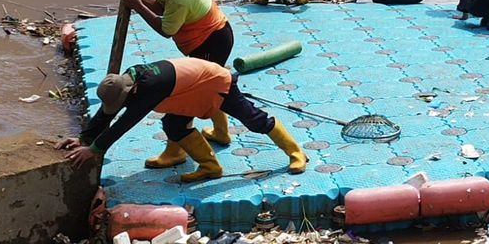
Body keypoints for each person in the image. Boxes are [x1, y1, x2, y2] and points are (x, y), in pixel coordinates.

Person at [55, 58, 308, 182]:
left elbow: (124, 123)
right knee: (173, 124)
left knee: (254, 120)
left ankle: (295, 152)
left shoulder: (149, 88)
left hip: (215, 82)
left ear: (129, 92)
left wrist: (95, 149)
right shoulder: (128, 81)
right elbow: (107, 113)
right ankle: (208, 167)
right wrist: (83, 138)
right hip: (189, 87)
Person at [119, 0, 234, 165]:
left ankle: (175, 152)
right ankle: (221, 133)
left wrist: (137, 5)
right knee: (215, 88)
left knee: (188, 98)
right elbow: (162, 6)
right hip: (218, 35)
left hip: (211, 42)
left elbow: (165, 29)